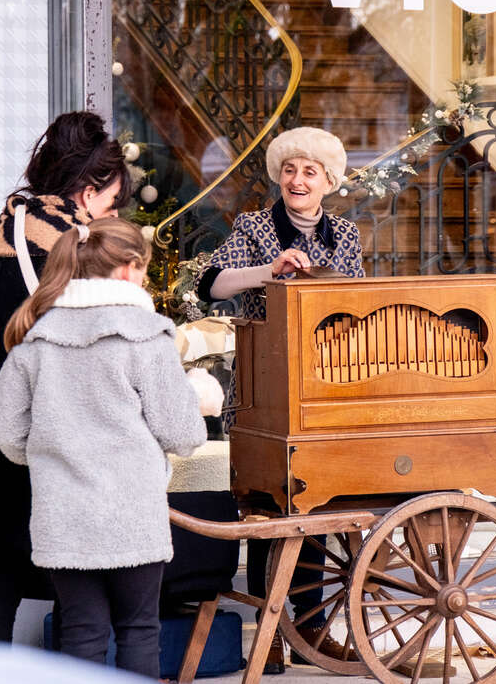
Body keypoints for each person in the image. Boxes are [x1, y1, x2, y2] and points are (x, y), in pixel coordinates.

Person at [0, 217, 208, 678]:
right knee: (138, 629)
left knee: (80, 630)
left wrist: (56, 456)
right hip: (133, 515)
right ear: (131, 268)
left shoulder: (32, 339)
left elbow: (11, 440)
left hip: (63, 518)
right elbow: (185, 435)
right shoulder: (147, 337)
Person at [192, 126, 364, 673]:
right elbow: (210, 285)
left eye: (310, 171)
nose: (297, 179)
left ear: (329, 182)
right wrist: (269, 271)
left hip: (326, 385)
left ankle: (309, 626)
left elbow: (359, 302)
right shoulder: (253, 226)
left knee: (318, 506)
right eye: (290, 169)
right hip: (265, 390)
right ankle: (269, 632)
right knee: (269, 506)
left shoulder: (345, 234)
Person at [0, 111, 132, 643]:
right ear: (88, 190)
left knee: (1, 568)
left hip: (4, 413)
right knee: (81, 582)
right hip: (49, 424)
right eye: (113, 202)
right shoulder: (72, 249)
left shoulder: (7, 227)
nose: (112, 214)